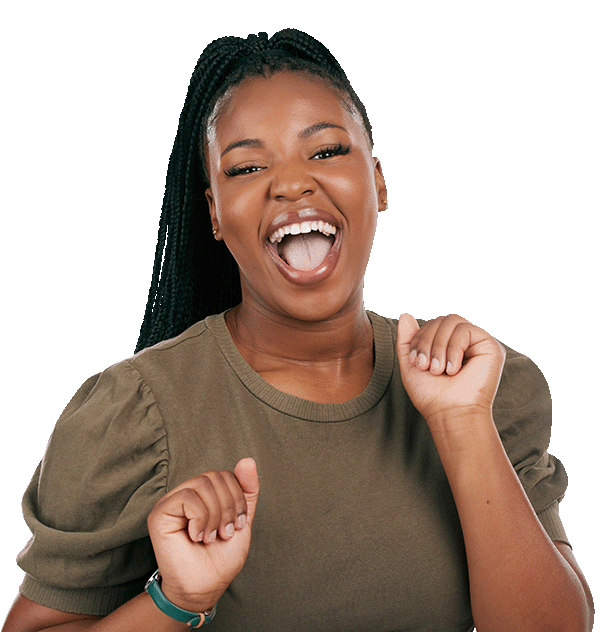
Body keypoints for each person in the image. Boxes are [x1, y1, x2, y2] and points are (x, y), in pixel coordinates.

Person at [2, 29, 594, 632]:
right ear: (214, 212)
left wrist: (462, 425)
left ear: (379, 182)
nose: (290, 183)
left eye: (327, 152)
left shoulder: (480, 389)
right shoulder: (135, 414)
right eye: (249, 166)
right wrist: (175, 601)